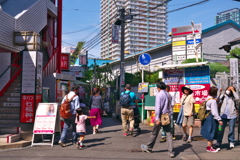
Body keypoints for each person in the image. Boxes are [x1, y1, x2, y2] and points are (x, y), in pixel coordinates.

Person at [141, 82, 174, 158]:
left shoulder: (159, 95)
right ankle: (171, 152)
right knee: (169, 134)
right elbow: (170, 106)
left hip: (160, 116)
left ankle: (149, 147)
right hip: (167, 116)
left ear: (158, 88)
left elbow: (158, 107)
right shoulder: (169, 94)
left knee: (154, 132)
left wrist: (157, 118)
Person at [200, 86, 223, 152]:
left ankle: (211, 146)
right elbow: (215, 112)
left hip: (207, 116)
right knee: (211, 131)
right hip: (211, 117)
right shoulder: (213, 101)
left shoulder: (208, 98)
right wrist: (219, 119)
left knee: (209, 130)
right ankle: (209, 147)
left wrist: (219, 94)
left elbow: (215, 98)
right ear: (215, 93)